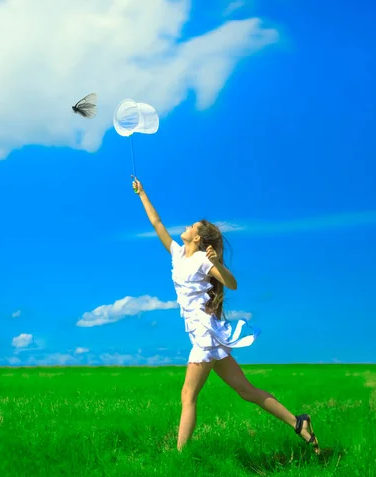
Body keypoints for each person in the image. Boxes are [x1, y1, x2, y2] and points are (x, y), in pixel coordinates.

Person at [131, 175, 320, 454]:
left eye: (191, 226)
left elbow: (231, 284)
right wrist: (142, 193)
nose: (185, 226)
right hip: (207, 335)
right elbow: (157, 223)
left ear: (197, 237)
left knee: (188, 395)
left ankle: (179, 457)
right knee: (247, 391)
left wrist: (216, 262)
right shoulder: (177, 253)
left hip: (205, 337)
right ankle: (299, 423)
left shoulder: (200, 260)